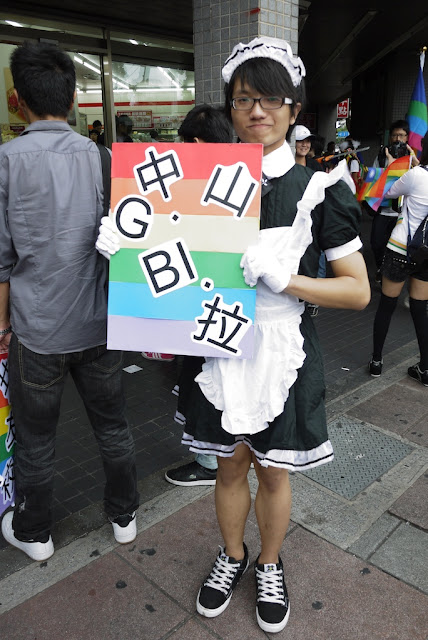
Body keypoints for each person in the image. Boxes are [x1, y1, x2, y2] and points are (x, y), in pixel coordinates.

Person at [181, 37, 370, 634]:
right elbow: (173, 262)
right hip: (216, 337)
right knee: (229, 465)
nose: (256, 110)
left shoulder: (320, 187)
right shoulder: (199, 181)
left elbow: (357, 290)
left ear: (293, 109)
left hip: (283, 345)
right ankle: (232, 555)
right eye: (242, 99)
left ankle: (268, 562)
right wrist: (127, 249)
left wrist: (289, 281)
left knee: (272, 469)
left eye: (269, 98)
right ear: (230, 108)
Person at [0, 42, 139, 562]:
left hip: (35, 330)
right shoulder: (103, 158)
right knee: (113, 424)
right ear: (75, 96)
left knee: (36, 438)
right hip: (101, 324)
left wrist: (3, 327)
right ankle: (123, 515)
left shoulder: (5, 161)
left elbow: (1, 260)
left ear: (18, 100)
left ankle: (36, 534)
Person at [165, 104, 234, 487]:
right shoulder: (245, 178)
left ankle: (210, 461)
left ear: (192, 142)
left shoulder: (191, 182)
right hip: (233, 307)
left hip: (200, 305)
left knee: (205, 383)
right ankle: (215, 456)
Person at [369, 134, 428, 385]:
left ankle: (376, 361)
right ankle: (425, 369)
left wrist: (395, 164)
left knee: (387, 305)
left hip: (400, 248)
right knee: (419, 309)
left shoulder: (416, 176)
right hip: (425, 253)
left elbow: (389, 191)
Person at [370, 120, 417, 283]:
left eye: (402, 135)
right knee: (376, 243)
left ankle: (390, 276)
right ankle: (381, 269)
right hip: (383, 209)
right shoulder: (382, 156)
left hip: (403, 212)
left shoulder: (412, 159)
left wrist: (414, 162)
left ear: (407, 138)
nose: (398, 138)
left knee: (397, 247)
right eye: (395, 135)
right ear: (390, 137)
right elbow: (374, 181)